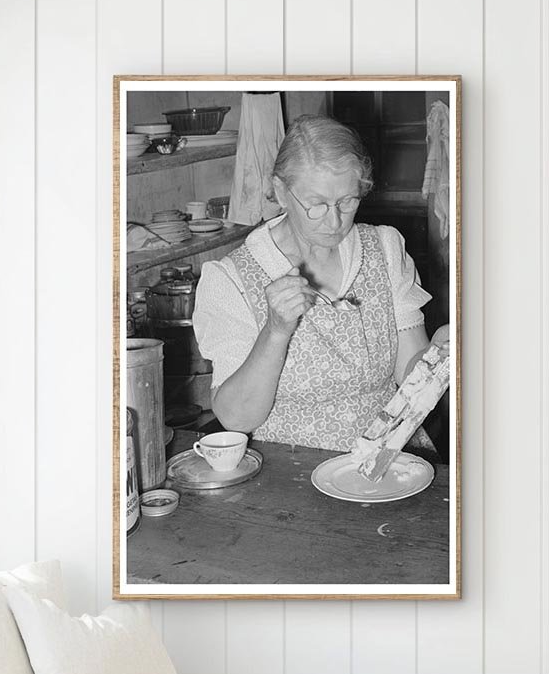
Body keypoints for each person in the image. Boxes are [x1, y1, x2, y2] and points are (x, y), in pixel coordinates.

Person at [192, 114, 448, 453]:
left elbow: (409, 376)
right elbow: (237, 419)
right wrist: (276, 331)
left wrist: (440, 355)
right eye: (317, 204)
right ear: (282, 191)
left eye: (347, 201)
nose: (335, 220)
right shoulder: (233, 279)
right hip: (291, 474)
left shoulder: (384, 250)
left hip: (388, 459)